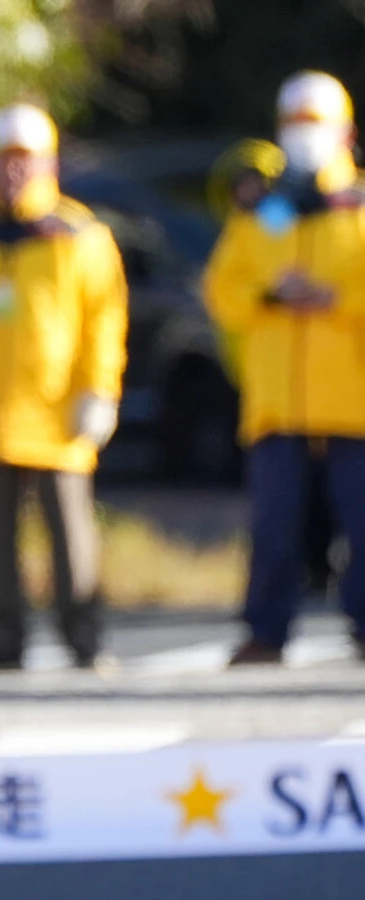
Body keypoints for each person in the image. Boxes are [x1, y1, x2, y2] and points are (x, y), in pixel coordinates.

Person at [0, 104, 129, 672]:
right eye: (5, 161)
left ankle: (84, 640)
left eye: (27, 161)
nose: (15, 172)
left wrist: (100, 391)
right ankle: (4, 640)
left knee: (70, 535)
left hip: (59, 410)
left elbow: (104, 321)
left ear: (50, 165)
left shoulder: (80, 235)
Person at [203, 71, 365, 665]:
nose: (304, 137)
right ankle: (266, 632)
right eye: (293, 125)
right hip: (278, 402)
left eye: (315, 124)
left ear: (346, 132)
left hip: (353, 400)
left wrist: (334, 299)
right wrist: (272, 292)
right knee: (274, 526)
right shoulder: (265, 213)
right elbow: (223, 288)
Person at [207, 138, 339, 601]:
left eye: (255, 183)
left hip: (332, 395)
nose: (247, 193)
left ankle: (322, 572)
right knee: (278, 510)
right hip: (266, 393)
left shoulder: (300, 214)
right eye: (238, 186)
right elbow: (224, 293)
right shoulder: (256, 226)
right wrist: (270, 294)